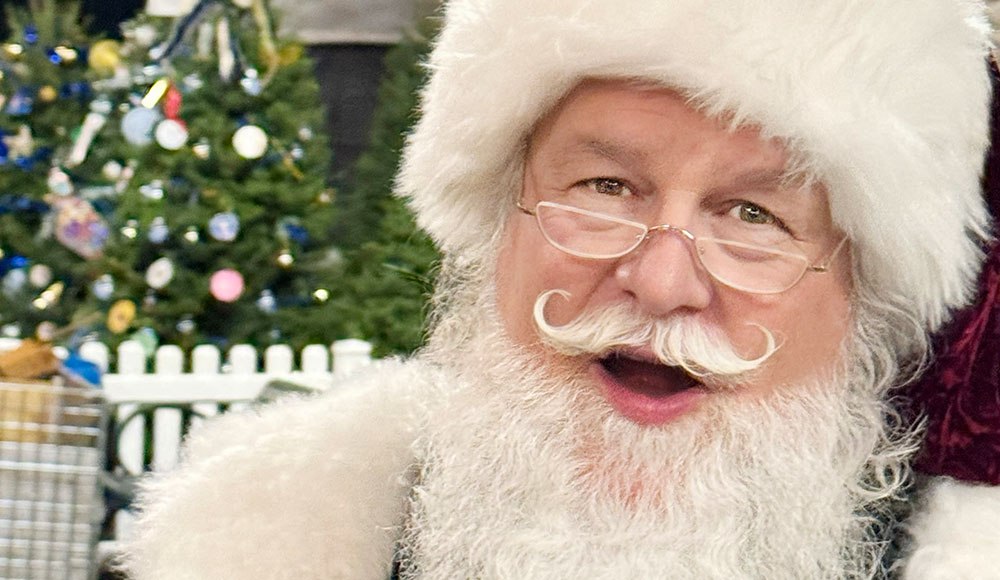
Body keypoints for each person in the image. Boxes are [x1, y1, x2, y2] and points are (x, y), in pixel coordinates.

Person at [121, 0, 1000, 578]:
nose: (660, 283)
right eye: (604, 189)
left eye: (752, 216)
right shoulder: (257, 547)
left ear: (863, 302)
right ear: (496, 229)